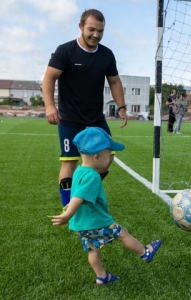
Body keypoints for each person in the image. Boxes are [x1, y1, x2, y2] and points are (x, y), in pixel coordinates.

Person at [51, 127, 162, 285]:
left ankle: (101, 276)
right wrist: (68, 214)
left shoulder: (79, 171)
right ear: (97, 157)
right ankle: (145, 252)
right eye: (109, 154)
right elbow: (78, 196)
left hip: (82, 224)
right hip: (96, 221)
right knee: (122, 233)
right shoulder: (93, 176)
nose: (111, 157)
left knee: (92, 249)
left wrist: (70, 215)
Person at [42, 9, 128, 209]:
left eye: (100, 31)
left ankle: (83, 195)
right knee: (70, 163)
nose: (96, 34)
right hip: (70, 119)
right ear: (81, 27)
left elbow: (114, 81)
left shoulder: (106, 55)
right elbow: (49, 77)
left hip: (96, 119)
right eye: (91, 29)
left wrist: (122, 106)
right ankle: (67, 207)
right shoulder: (65, 51)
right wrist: (49, 105)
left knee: (107, 159)